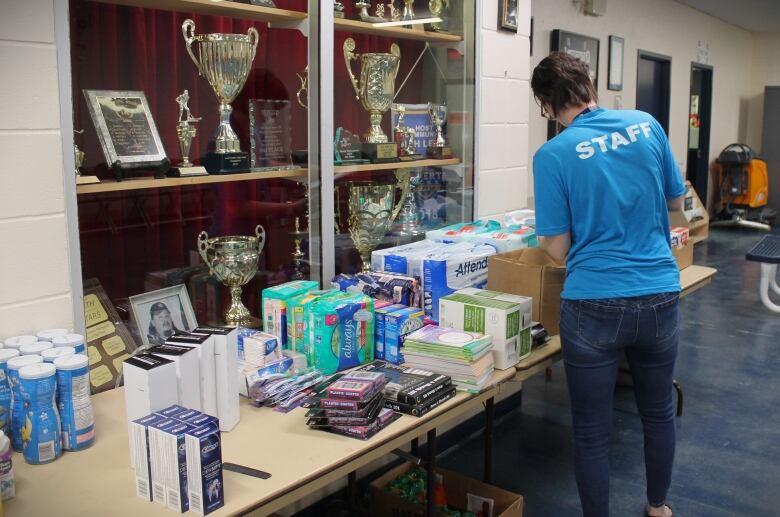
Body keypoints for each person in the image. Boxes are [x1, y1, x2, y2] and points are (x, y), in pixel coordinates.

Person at [531, 52, 685, 517]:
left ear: (546, 105)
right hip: (659, 292)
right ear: (589, 84)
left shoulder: (552, 155)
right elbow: (676, 203)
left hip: (593, 304)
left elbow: (556, 249)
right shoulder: (646, 124)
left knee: (592, 432)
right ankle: (658, 507)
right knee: (658, 412)